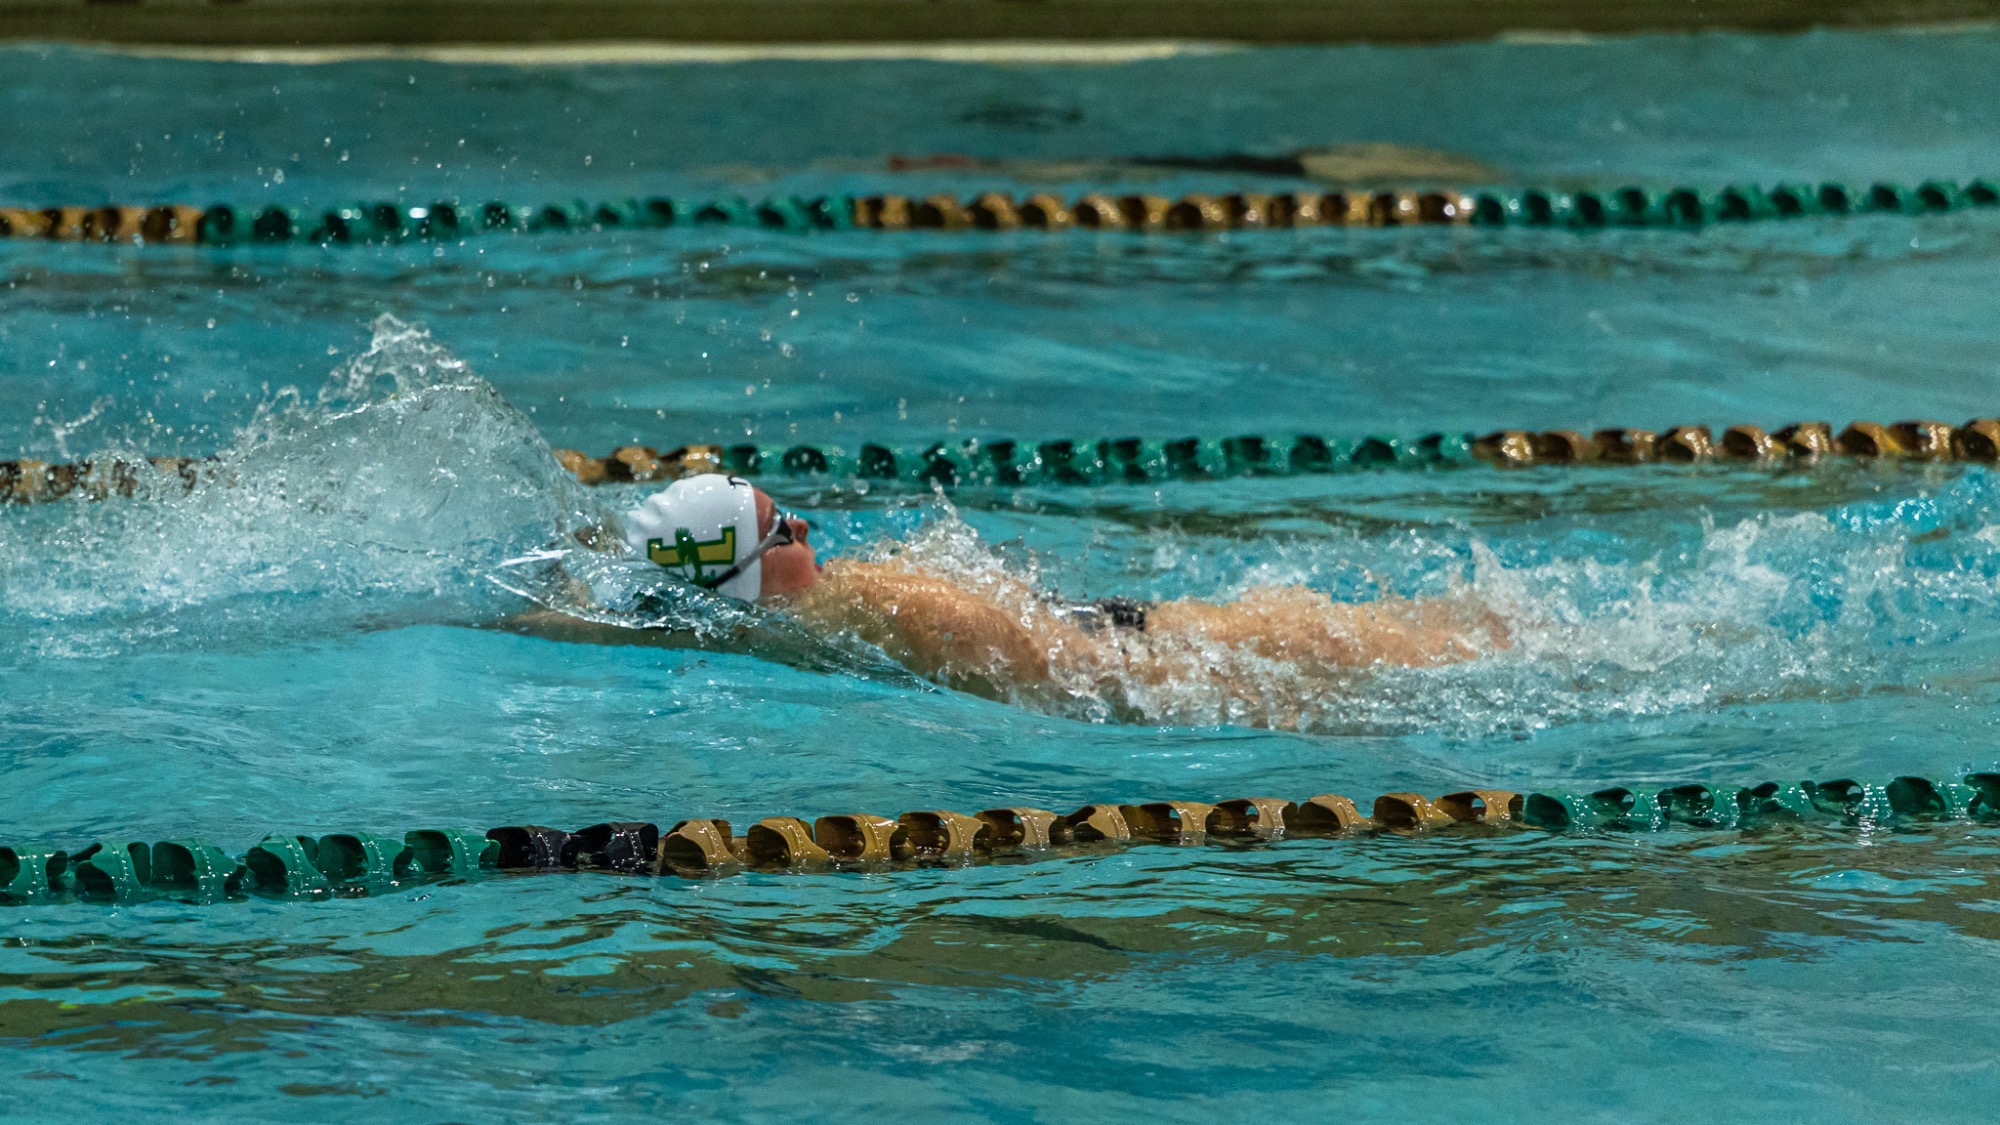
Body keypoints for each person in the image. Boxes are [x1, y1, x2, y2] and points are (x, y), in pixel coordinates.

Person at [518, 473, 1509, 728]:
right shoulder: (808, 615)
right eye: (785, 530)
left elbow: (1069, 680)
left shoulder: (875, 608)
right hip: (1115, 640)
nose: (810, 533)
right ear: (741, 573)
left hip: (1164, 656)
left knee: (1434, 658)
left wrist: (1241, 703)